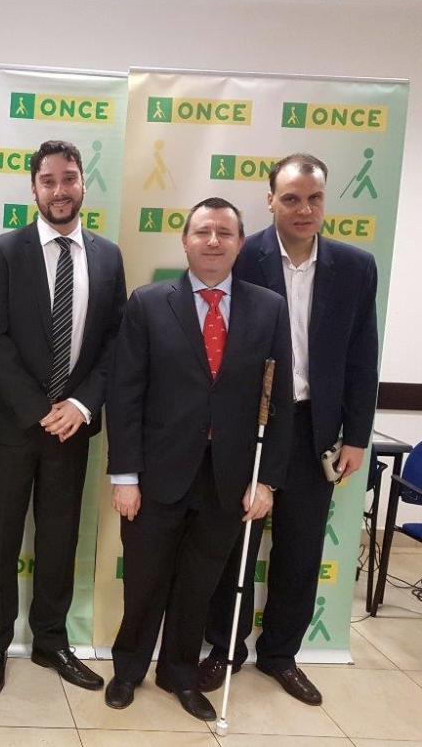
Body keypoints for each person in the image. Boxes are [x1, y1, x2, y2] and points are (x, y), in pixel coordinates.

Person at [104, 197, 293, 721]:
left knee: (200, 584)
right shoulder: (148, 303)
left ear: (239, 242)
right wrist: (125, 475)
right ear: (185, 241)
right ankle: (127, 669)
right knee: (144, 579)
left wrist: (268, 481)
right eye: (204, 232)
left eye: (225, 233)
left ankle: (179, 674)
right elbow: (125, 396)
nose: (214, 241)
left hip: (229, 479)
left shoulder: (268, 307)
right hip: (156, 475)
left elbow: (277, 406)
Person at [200, 154, 379, 705]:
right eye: (293, 198)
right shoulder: (241, 255)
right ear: (270, 199)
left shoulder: (355, 267)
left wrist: (356, 436)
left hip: (315, 430)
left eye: (315, 198)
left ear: (325, 201)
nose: (305, 209)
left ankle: (281, 654)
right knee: (235, 544)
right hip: (248, 427)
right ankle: (225, 649)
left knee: (300, 550)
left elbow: (361, 355)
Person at [0, 140, 126, 696]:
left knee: (59, 541)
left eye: (69, 179)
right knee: (2, 542)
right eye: (48, 181)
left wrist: (80, 406)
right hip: (13, 427)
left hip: (75, 428)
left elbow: (115, 341)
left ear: (84, 183)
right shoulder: (3, 251)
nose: (59, 191)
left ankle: (51, 641)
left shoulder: (108, 256)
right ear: (33, 188)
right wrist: (42, 410)